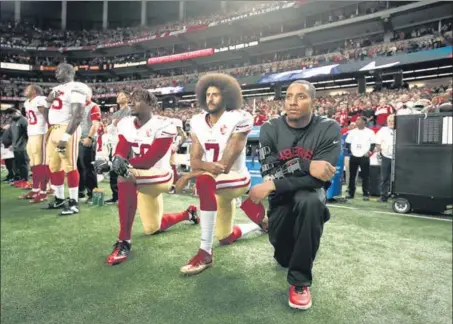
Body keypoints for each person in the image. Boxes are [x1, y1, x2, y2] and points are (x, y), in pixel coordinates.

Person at [247, 80, 340, 310]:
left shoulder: (329, 128)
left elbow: (322, 177)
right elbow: (270, 171)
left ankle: (300, 282)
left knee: (311, 201)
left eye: (301, 97)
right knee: (283, 258)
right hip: (281, 199)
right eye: (288, 96)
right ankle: (309, 222)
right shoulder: (270, 128)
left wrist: (276, 182)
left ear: (313, 101)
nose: (292, 102)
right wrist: (306, 164)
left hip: (308, 194)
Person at [175, 73, 267, 276]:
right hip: (216, 182)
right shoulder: (198, 121)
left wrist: (188, 176)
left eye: (215, 94)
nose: (210, 98)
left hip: (236, 177)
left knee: (204, 181)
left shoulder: (239, 118)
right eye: (207, 94)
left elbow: (223, 166)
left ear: (226, 96)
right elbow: (194, 160)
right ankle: (259, 224)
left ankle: (205, 253)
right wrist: (200, 166)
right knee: (225, 237)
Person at [94, 89, 198, 266]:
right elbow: (123, 147)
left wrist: (114, 167)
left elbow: (150, 160)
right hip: (141, 177)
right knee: (152, 228)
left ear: (150, 105)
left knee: (125, 177)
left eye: (138, 100)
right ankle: (189, 214)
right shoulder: (126, 123)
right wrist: (117, 158)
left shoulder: (165, 124)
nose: (132, 102)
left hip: (161, 176)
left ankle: (124, 241)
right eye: (132, 99)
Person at [42, 63, 90, 215]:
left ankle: (74, 202)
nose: (56, 73)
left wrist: (66, 136)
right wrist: (48, 101)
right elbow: (47, 115)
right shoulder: (56, 89)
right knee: (54, 166)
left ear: (69, 71)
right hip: (54, 128)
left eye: (59, 70)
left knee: (70, 166)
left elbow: (78, 115)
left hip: (67, 129)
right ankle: (59, 198)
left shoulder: (77, 87)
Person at [20, 84, 49, 203]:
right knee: (33, 163)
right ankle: (35, 189)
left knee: (42, 163)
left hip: (41, 133)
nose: (25, 89)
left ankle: (43, 192)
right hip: (31, 134)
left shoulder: (40, 99)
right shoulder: (27, 102)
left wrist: (49, 132)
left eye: (29, 88)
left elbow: (47, 116)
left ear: (35, 91)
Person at [105, 91, 131, 204]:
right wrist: (114, 124)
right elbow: (110, 129)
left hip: (125, 143)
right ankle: (116, 196)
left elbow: (126, 127)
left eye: (122, 95)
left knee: (123, 170)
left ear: (127, 98)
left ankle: (125, 196)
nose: (119, 97)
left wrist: (114, 124)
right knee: (113, 170)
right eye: (118, 96)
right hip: (114, 142)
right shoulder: (116, 113)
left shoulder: (130, 111)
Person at [77, 91, 101, 203]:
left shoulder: (93, 106)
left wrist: (90, 138)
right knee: (78, 167)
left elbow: (95, 124)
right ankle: (80, 192)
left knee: (88, 167)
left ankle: (92, 194)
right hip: (77, 139)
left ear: (90, 95)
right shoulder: (77, 107)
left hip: (87, 139)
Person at [345, 116, 376, 200]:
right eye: (356, 120)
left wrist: (369, 152)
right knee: (352, 176)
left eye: (359, 120)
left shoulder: (370, 132)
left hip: (364, 156)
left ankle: (366, 194)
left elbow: (373, 144)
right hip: (354, 156)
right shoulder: (352, 132)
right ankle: (351, 193)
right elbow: (347, 143)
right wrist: (350, 152)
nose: (356, 121)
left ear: (364, 122)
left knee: (365, 176)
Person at [7, 108, 29, 188]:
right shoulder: (13, 121)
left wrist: (26, 144)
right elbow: (14, 135)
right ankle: (21, 179)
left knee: (23, 164)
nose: (11, 115)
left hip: (23, 147)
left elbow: (28, 133)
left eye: (12, 113)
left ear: (18, 112)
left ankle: (25, 180)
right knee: (18, 164)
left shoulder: (24, 120)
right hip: (15, 147)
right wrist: (12, 144)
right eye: (10, 114)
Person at [376, 114, 395, 202]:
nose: (391, 122)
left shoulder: (401, 129)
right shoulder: (383, 130)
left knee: (398, 177)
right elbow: (377, 142)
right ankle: (383, 196)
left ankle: (396, 195)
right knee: (385, 177)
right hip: (386, 156)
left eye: (392, 121)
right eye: (389, 121)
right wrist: (379, 152)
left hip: (398, 157)